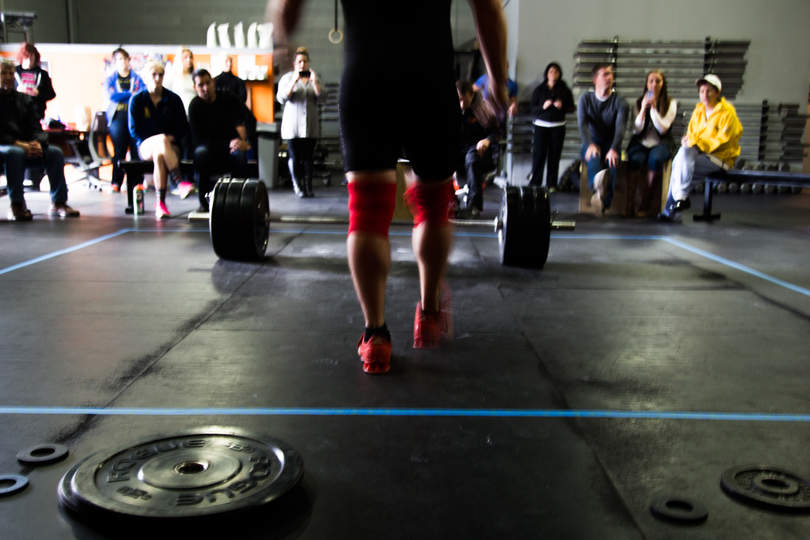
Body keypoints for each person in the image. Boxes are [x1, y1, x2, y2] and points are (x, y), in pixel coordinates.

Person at [270, 0, 508, 374]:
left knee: (366, 212)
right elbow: (489, 9)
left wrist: (283, 47)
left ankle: (376, 337)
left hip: (367, 77)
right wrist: (496, 82)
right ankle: (429, 315)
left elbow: (286, 5)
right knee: (433, 203)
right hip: (429, 80)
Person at [0, 59, 79, 221]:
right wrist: (19, 144)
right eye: (3, 73)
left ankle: (58, 202)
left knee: (55, 153)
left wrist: (36, 143)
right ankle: (17, 205)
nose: (8, 77)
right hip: (6, 147)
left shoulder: (24, 100)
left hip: (25, 147)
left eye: (10, 73)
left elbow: (36, 127)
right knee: (14, 153)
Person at [659, 74, 742, 222]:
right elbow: (692, 134)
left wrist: (696, 142)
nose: (705, 94)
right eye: (702, 91)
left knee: (679, 168)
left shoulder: (727, 112)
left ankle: (672, 211)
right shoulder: (699, 111)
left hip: (719, 158)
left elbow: (724, 140)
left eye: (709, 90)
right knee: (680, 160)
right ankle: (680, 200)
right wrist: (687, 139)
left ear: (718, 92)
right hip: (699, 155)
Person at [128, 60, 189, 219]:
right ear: (145, 77)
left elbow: (183, 127)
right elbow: (134, 130)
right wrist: (159, 139)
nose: (157, 78)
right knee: (161, 141)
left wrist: (172, 137)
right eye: (153, 74)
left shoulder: (174, 99)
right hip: (145, 145)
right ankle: (179, 181)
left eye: (160, 75)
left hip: (171, 147)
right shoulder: (136, 100)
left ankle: (160, 205)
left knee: (160, 155)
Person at [188, 69, 252, 213]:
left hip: (230, 151)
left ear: (213, 82)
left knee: (240, 154)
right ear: (195, 88)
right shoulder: (194, 106)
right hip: (209, 151)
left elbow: (249, 118)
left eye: (208, 83)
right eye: (200, 85)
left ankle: (237, 201)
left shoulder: (228, 97)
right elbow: (199, 141)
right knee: (200, 152)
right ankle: (204, 203)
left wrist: (248, 142)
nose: (205, 88)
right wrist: (227, 144)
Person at [577, 63, 629, 218]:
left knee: (613, 163)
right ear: (595, 80)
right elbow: (582, 125)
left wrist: (614, 148)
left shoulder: (620, 102)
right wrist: (590, 144)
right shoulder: (585, 99)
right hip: (592, 139)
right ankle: (596, 185)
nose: (609, 77)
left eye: (610, 74)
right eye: (605, 74)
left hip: (611, 141)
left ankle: (603, 202)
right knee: (593, 158)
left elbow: (621, 128)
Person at [625, 70, 677, 218]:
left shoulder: (670, 103)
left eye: (658, 81)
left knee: (655, 159)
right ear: (646, 84)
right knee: (634, 158)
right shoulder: (638, 102)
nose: (654, 84)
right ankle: (628, 205)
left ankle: (645, 204)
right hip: (642, 141)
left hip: (661, 142)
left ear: (663, 84)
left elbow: (663, 129)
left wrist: (653, 109)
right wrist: (643, 109)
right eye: (651, 81)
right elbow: (636, 129)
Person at [277, 47, 324, 198]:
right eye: (299, 62)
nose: (302, 64)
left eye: (304, 61)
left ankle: (308, 186)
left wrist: (314, 82)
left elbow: (323, 98)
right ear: (294, 64)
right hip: (292, 127)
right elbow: (282, 98)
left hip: (310, 127)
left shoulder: (314, 78)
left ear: (308, 62)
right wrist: (293, 81)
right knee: (295, 157)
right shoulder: (287, 78)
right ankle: (298, 186)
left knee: (309, 157)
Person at [103, 47, 146, 193]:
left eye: (125, 59)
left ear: (129, 60)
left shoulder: (137, 78)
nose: (123, 62)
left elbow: (142, 93)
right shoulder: (110, 79)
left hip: (134, 118)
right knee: (119, 152)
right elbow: (111, 96)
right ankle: (116, 182)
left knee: (136, 151)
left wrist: (123, 95)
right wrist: (130, 94)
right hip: (118, 119)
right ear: (115, 62)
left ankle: (137, 184)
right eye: (119, 59)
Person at [529, 62, 575, 192]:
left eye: (556, 71)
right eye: (551, 71)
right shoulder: (539, 90)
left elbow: (572, 108)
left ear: (559, 74)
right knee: (539, 155)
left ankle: (552, 184)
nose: (553, 74)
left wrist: (562, 106)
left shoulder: (565, 90)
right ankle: (535, 183)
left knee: (554, 156)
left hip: (558, 126)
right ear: (546, 74)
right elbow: (532, 108)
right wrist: (543, 106)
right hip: (541, 126)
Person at [457, 80, 501, 217]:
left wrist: (487, 140)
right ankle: (448, 203)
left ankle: (473, 207)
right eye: (459, 100)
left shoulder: (482, 108)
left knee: (472, 159)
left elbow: (498, 132)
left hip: (479, 149)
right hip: (460, 148)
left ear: (472, 94)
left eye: (465, 100)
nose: (462, 105)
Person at [14, 42, 56, 120]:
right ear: (22, 58)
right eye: (27, 58)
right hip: (17, 113)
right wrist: (17, 91)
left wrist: (38, 94)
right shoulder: (14, 72)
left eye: (32, 59)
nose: (29, 62)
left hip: (36, 114)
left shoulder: (43, 74)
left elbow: (51, 94)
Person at [164, 47, 197, 113]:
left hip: (194, 111)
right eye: (185, 57)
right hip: (179, 112)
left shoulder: (194, 76)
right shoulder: (173, 74)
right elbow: (163, 91)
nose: (189, 60)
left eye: (190, 57)